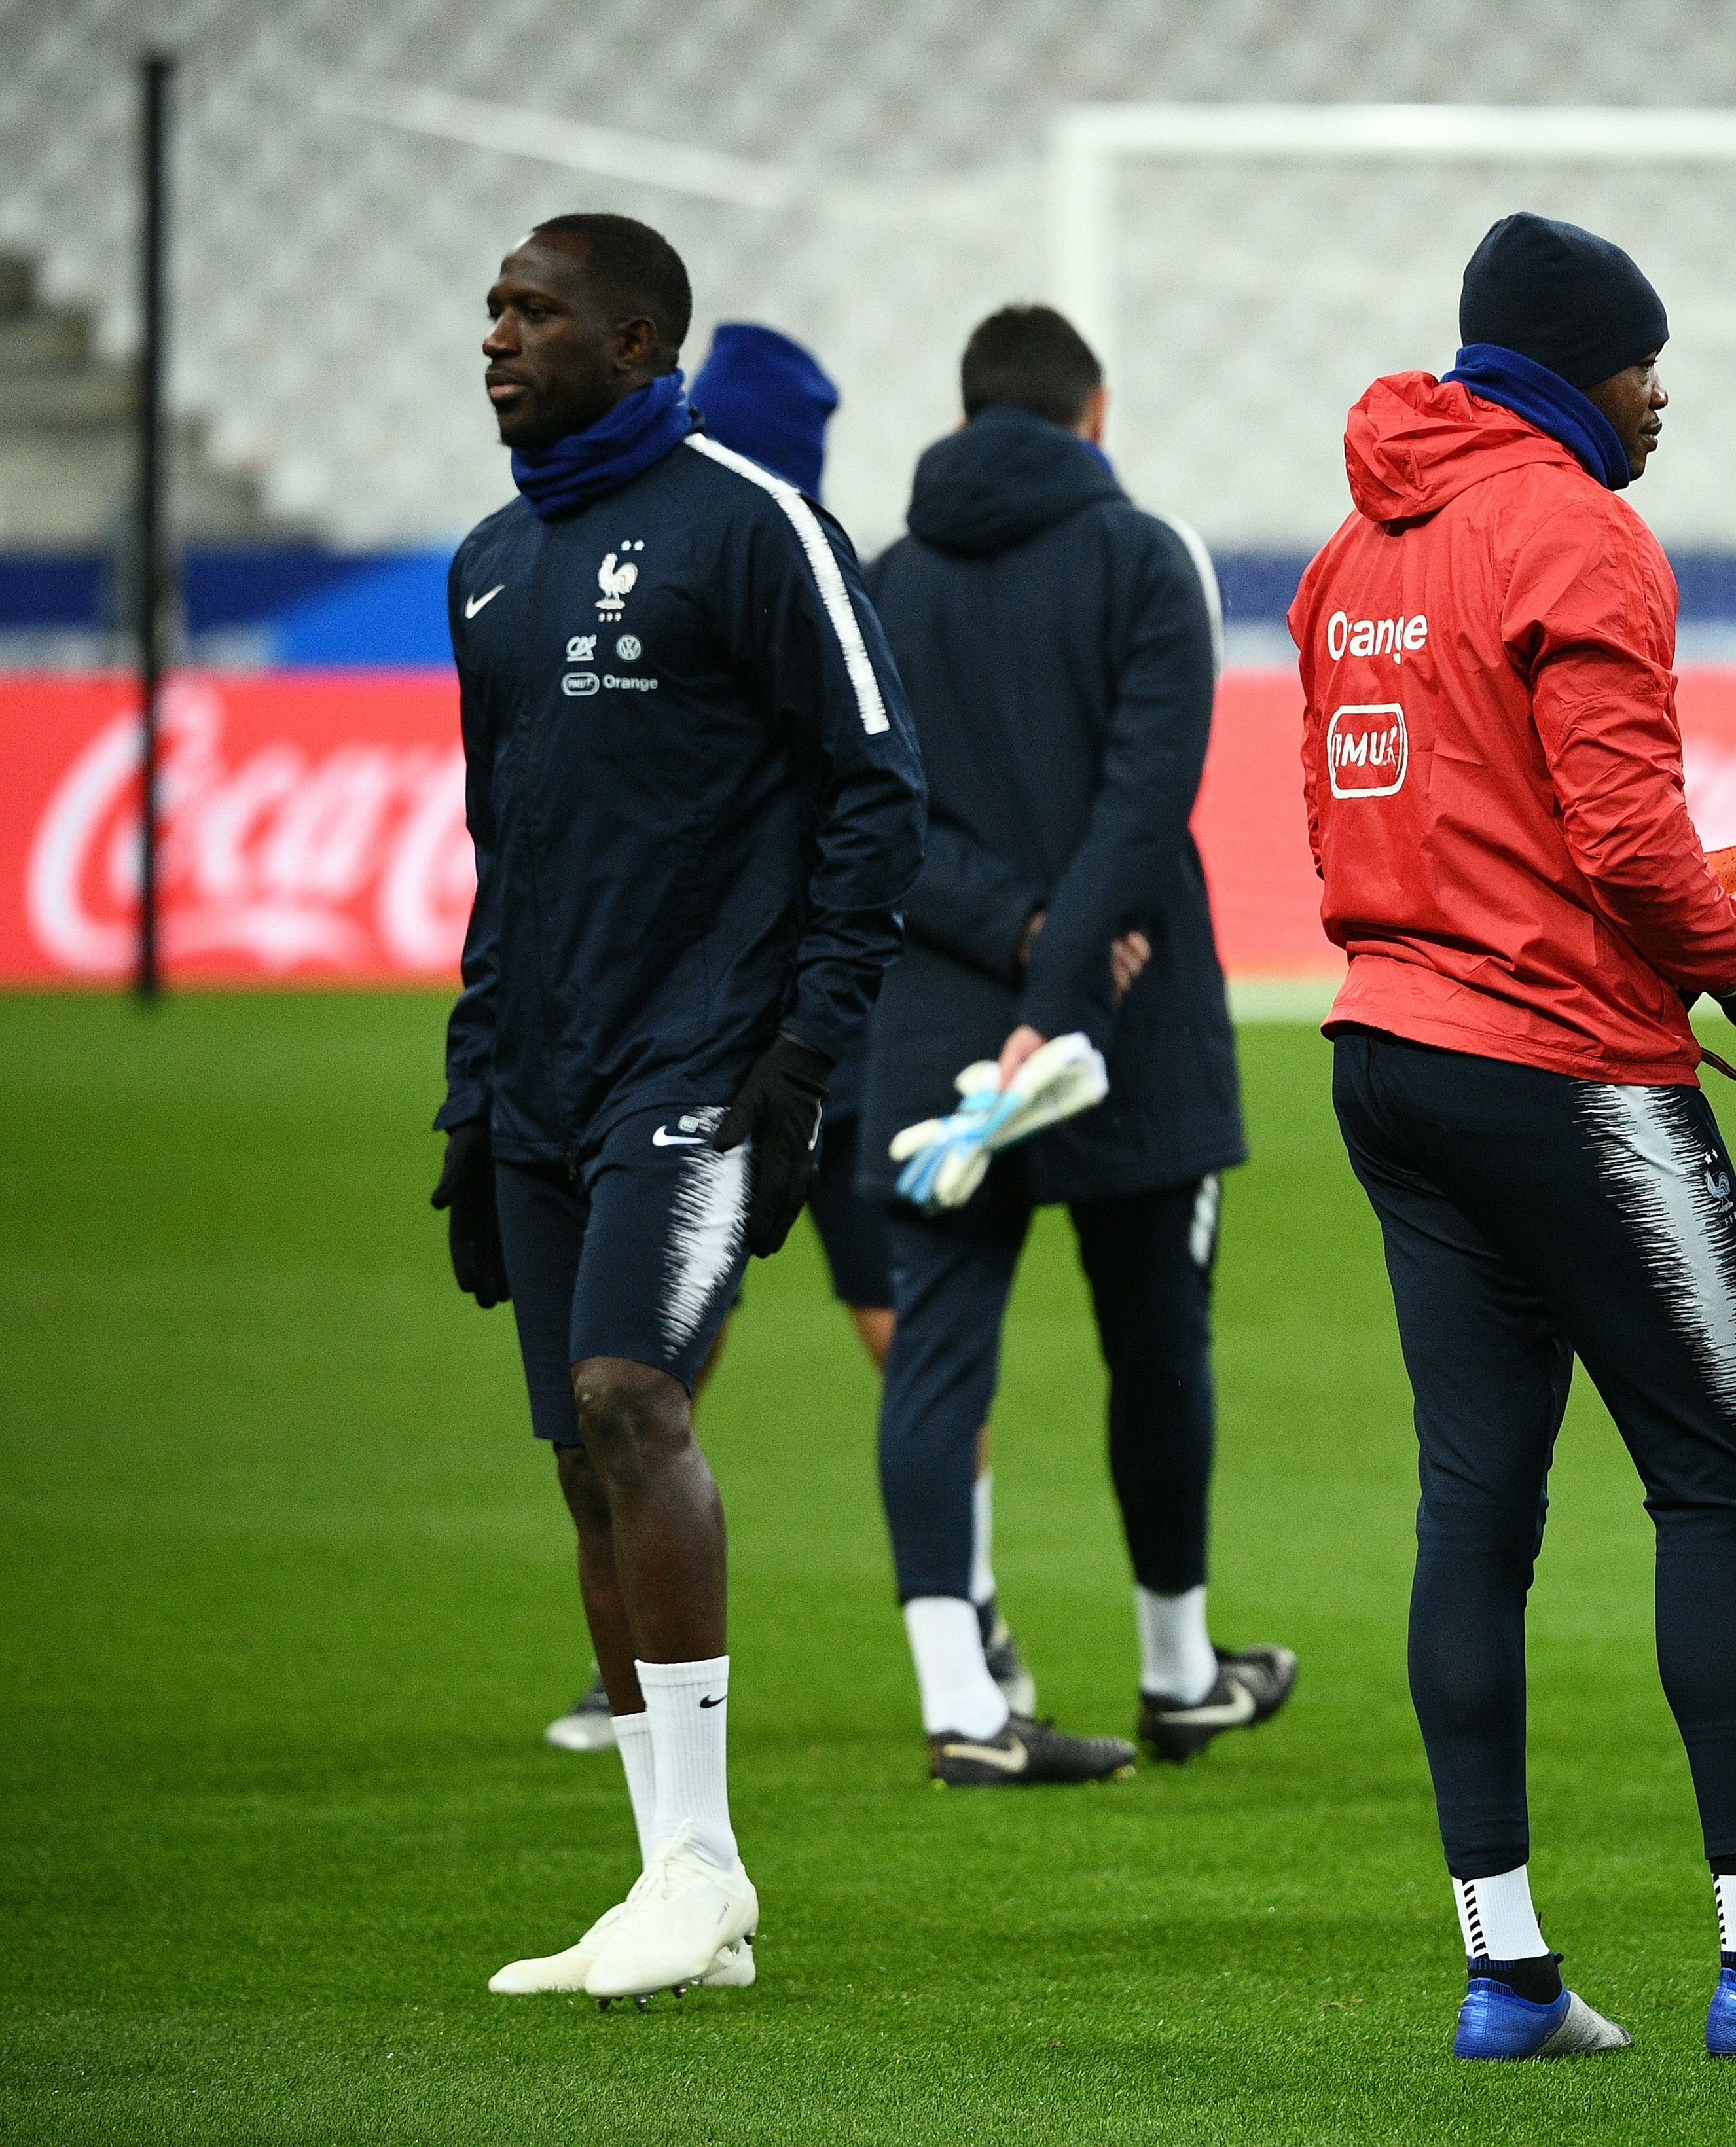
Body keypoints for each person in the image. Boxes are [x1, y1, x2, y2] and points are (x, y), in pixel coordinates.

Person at [1296, 211, 1736, 2063]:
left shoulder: (1354, 549)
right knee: (1717, 1488)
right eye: (1644, 362)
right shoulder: (1580, 525)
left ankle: (1508, 1976)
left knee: (1474, 1515)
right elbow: (1622, 837)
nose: (1664, 394)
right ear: (1578, 368)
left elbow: (1368, 815)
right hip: (1565, 1071)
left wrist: (1558, 909)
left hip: (1393, 1053)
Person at [439, 215, 924, 1999]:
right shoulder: (489, 563)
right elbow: (505, 859)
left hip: (706, 1066)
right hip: (543, 1078)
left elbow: (882, 791)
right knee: (584, 1463)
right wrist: (470, 1094)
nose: (498, 336)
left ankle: (706, 1864)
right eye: (492, 309)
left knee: (634, 1398)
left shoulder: (752, 523)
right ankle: (670, 1895)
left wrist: (810, 1055)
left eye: (536, 311)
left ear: (641, 342)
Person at [535, 321, 1045, 1754]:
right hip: (802, 1019)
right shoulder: (805, 558)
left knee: (676, 1344)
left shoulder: (747, 558)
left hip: (787, 1017)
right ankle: (976, 1606)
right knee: (832, 1329)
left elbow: (874, 799)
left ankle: (660, 1650)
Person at [861, 304, 1284, 1788]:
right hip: (1132, 1013)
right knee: (1157, 1347)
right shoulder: (1146, 556)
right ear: (1091, 413)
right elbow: (1147, 792)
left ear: (968, 411)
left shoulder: (880, 580)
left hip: (934, 1019)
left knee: (936, 1358)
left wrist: (1012, 933)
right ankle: (1179, 1673)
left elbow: (877, 816)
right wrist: (1066, 958)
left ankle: (960, 1705)